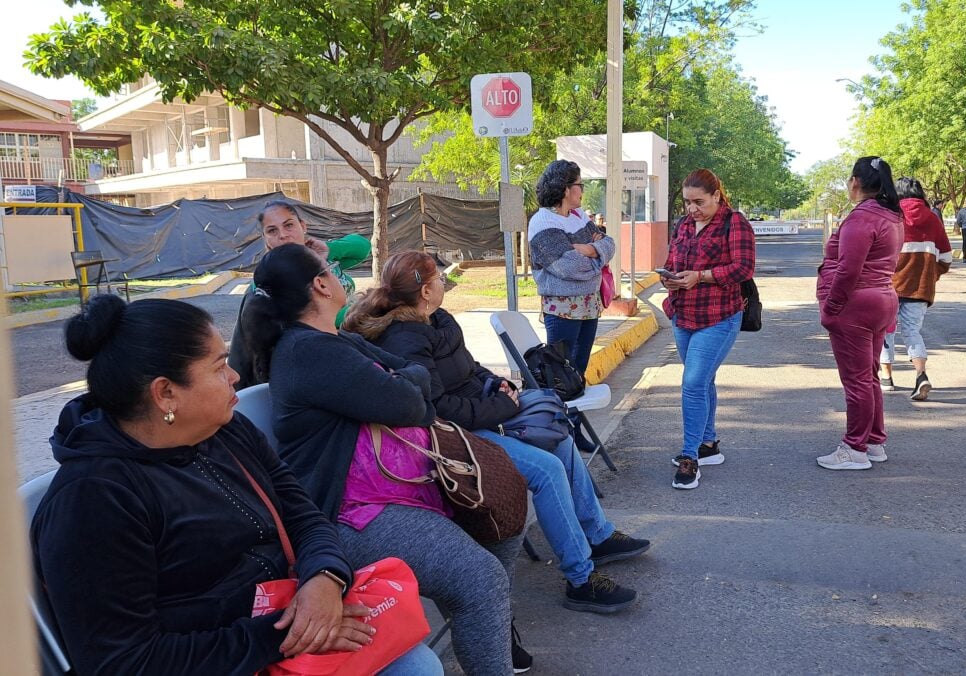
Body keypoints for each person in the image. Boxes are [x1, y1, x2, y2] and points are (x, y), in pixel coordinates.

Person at [32, 295, 441, 676]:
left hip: (282, 622)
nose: (235, 375)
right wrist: (288, 635)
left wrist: (325, 578)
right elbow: (124, 661)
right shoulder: (93, 500)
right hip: (229, 655)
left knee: (416, 662)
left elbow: (303, 514)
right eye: (218, 366)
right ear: (166, 393)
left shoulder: (224, 431)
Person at [240, 243, 526, 676]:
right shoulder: (307, 352)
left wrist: (404, 385)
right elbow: (413, 404)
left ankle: (485, 622)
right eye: (332, 269)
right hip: (348, 510)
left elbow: (417, 382)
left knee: (502, 512)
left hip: (403, 483)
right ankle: (482, 614)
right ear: (320, 285)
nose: (340, 276)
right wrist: (403, 386)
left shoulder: (338, 340)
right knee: (480, 578)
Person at [345, 250, 648, 615]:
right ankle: (581, 580)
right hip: (453, 438)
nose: (444, 282)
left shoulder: (437, 319)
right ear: (425, 291)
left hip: (484, 415)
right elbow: (436, 409)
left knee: (561, 439)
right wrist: (504, 407)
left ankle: (596, 536)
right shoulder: (404, 339)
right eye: (438, 279)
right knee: (547, 469)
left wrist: (498, 383)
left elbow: (468, 367)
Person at [660, 169, 755, 490]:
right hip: (683, 314)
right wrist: (669, 276)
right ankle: (709, 443)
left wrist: (700, 276)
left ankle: (690, 457)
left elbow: (743, 268)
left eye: (699, 202)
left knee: (692, 383)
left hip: (719, 316)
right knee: (703, 381)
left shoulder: (734, 223)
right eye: (687, 202)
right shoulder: (684, 225)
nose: (692, 209)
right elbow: (674, 259)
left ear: (716, 195)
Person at [816, 157, 903, 470]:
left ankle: (854, 449)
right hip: (881, 300)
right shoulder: (891, 215)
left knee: (856, 381)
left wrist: (831, 308)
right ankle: (874, 441)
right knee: (869, 377)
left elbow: (848, 269)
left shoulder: (862, 217)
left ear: (855, 182)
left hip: (856, 305)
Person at [228, 200, 370, 389]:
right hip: (325, 353)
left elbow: (362, 247)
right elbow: (313, 321)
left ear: (303, 226)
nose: (283, 235)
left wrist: (328, 250)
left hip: (351, 338)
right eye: (272, 231)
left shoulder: (317, 258)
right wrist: (360, 311)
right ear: (265, 239)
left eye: (289, 225)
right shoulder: (270, 280)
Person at [528, 160, 614, 452]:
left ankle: (575, 434)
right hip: (562, 311)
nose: (582, 189)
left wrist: (592, 250)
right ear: (565, 189)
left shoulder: (577, 216)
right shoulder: (543, 223)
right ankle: (561, 439)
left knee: (578, 374)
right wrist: (596, 257)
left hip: (588, 307)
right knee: (561, 378)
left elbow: (609, 243)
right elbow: (568, 267)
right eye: (579, 184)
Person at [878, 177, 952, 402]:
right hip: (920, 288)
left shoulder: (891, 216)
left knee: (884, 331)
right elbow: (946, 257)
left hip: (888, 286)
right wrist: (930, 275)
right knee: (912, 331)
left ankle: (887, 378)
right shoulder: (932, 218)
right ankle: (921, 376)